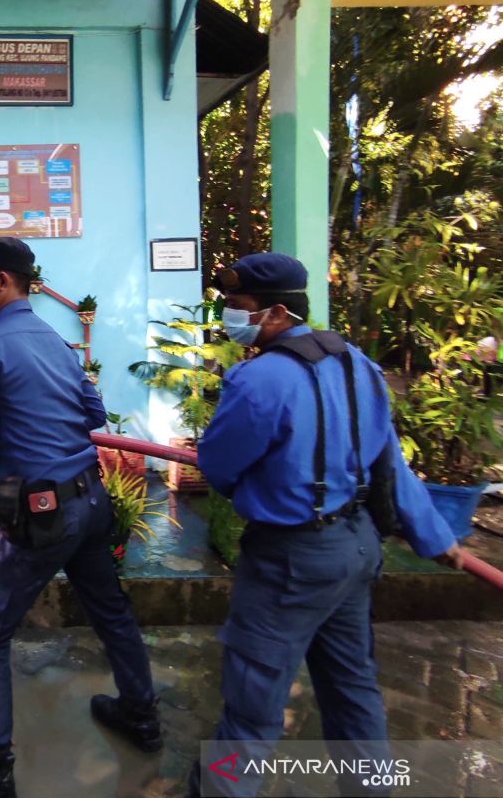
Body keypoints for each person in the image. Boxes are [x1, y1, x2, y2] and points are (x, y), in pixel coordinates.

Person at [0, 237, 160, 798]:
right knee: (110, 610)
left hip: (40, 513)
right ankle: (141, 714)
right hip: (90, 499)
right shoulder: (56, 342)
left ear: (3, 282)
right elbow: (93, 413)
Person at [192, 252, 464, 797]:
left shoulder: (259, 379)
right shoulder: (356, 364)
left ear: (273, 313)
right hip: (355, 549)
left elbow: (218, 466)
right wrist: (434, 536)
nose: (228, 317)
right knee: (353, 691)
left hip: (289, 563)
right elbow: (389, 464)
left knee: (251, 712)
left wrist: (251, 489)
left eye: (237, 307)